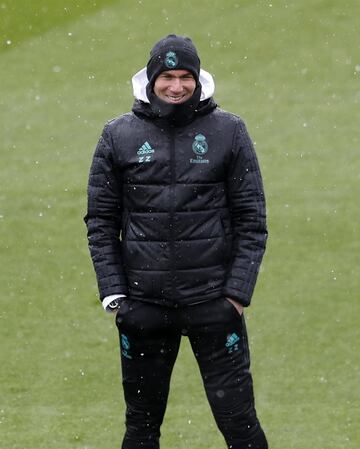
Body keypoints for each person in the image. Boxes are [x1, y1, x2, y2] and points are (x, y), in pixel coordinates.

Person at [85, 34, 268, 449]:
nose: (177, 86)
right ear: (151, 81)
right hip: (143, 307)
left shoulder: (229, 131)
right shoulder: (118, 135)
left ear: (198, 79)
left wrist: (236, 294)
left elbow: (251, 219)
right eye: (167, 76)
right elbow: (100, 220)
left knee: (241, 427)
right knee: (141, 428)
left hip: (213, 306)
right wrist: (115, 294)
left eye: (186, 76)